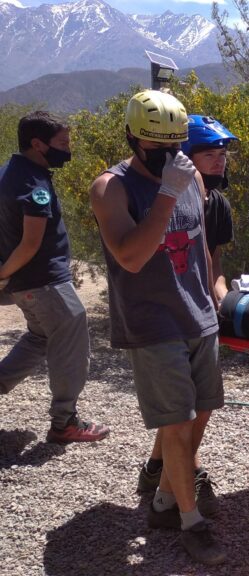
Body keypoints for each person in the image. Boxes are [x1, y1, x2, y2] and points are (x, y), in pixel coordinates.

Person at [89, 90, 225, 565]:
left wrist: (212, 297)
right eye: (157, 147)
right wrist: (167, 191)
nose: (170, 157)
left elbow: (202, 241)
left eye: (176, 146)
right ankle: (190, 521)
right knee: (177, 421)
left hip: (197, 314)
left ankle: (165, 499)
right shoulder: (112, 187)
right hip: (151, 320)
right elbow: (129, 255)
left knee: (200, 413)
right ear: (132, 137)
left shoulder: (190, 178)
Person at [136, 115, 239, 516]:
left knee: (197, 402)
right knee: (180, 408)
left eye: (222, 155)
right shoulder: (155, 196)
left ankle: (157, 468)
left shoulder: (220, 206)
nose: (219, 162)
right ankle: (178, 485)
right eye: (209, 155)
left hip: (198, 311)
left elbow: (211, 264)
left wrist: (222, 299)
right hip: (161, 315)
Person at [0, 111, 109, 443]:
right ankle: (65, 422)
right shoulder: (34, 186)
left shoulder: (10, 173)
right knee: (71, 347)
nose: (68, 148)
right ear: (37, 143)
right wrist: (2, 275)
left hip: (29, 285)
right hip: (45, 283)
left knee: (40, 338)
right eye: (62, 143)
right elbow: (31, 243)